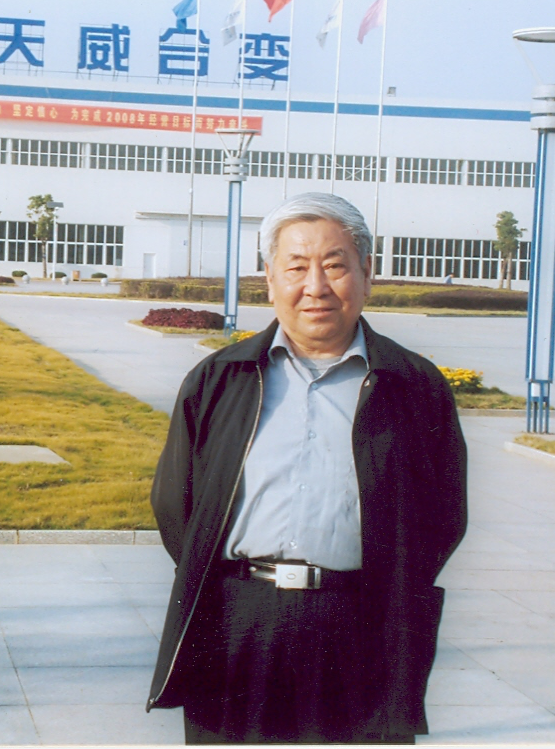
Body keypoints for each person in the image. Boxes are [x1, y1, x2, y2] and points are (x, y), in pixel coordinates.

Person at [146, 192, 467, 744]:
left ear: (367, 275)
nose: (315, 286)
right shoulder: (219, 379)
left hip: (362, 625)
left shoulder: (414, 386)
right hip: (237, 623)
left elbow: (444, 517)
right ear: (269, 279)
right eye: (296, 267)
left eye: (335, 266)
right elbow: (177, 505)